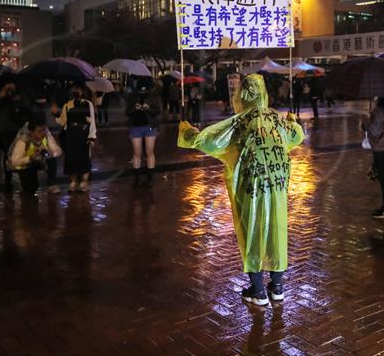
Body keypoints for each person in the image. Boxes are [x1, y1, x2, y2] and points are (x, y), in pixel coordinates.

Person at [178, 74, 304, 305]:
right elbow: (296, 135)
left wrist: (188, 132)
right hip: (275, 185)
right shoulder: (276, 119)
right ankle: (277, 287)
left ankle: (257, 290)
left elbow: (209, 140)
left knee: (252, 229)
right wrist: (293, 121)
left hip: (251, 187)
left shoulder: (239, 123)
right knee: (276, 230)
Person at [53, 82, 97, 193]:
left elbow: (92, 121)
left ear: (82, 91)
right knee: (71, 158)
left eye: (78, 89)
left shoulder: (88, 104)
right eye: (74, 90)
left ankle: (84, 182)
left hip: (83, 133)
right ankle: (73, 182)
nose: (76, 92)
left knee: (84, 158)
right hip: (71, 134)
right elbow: (63, 121)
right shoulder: (68, 105)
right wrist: (56, 114)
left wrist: (92, 136)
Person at [0, 81, 30, 186]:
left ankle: (23, 177)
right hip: (6, 130)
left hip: (20, 130)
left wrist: (20, 100)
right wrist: (2, 95)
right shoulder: (2, 99)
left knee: (22, 152)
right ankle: (8, 177)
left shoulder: (21, 96)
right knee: (8, 154)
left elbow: (28, 108)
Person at [8, 120, 63, 195]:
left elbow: (58, 150)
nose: (43, 133)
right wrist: (30, 157)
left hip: (38, 160)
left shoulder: (46, 134)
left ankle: (52, 184)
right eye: (39, 131)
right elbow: (14, 161)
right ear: (32, 132)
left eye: (44, 130)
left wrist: (50, 152)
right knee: (30, 189)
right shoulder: (23, 140)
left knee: (51, 161)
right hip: (24, 165)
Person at [126, 80, 161, 187]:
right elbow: (127, 112)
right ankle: (137, 179)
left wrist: (148, 108)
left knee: (150, 152)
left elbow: (157, 111)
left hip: (149, 126)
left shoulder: (153, 96)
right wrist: (134, 108)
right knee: (137, 153)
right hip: (135, 126)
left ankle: (150, 179)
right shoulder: (132, 96)